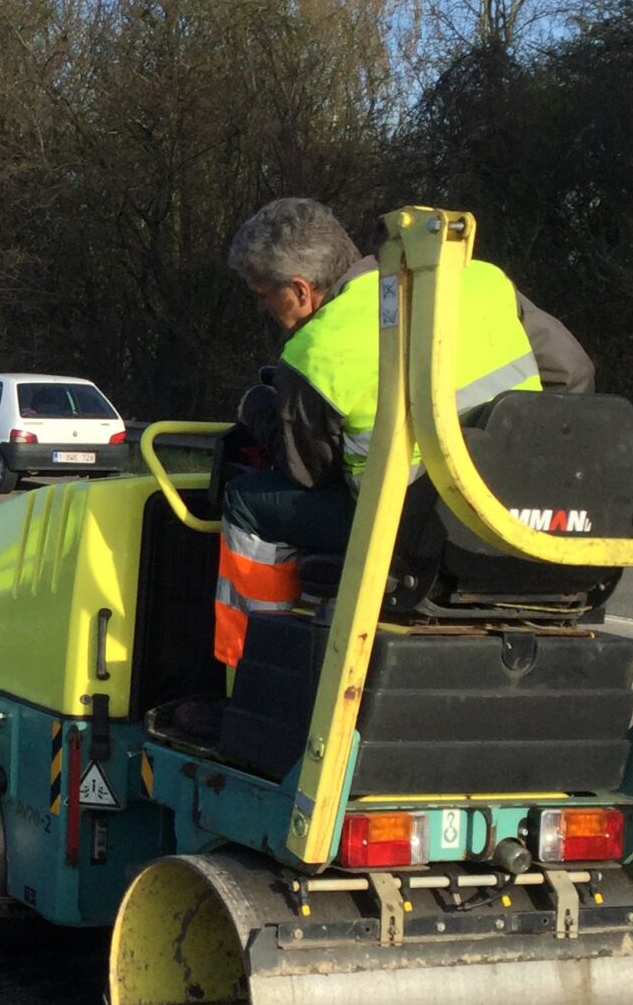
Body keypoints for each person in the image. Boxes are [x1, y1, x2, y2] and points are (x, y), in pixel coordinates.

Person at [214, 199, 593, 667]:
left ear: (300, 290)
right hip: (515, 507)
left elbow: (306, 472)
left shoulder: (315, 351)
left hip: (413, 528)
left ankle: (250, 669)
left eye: (263, 294)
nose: (263, 307)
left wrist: (259, 408)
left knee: (248, 501)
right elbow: (573, 372)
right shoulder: (480, 280)